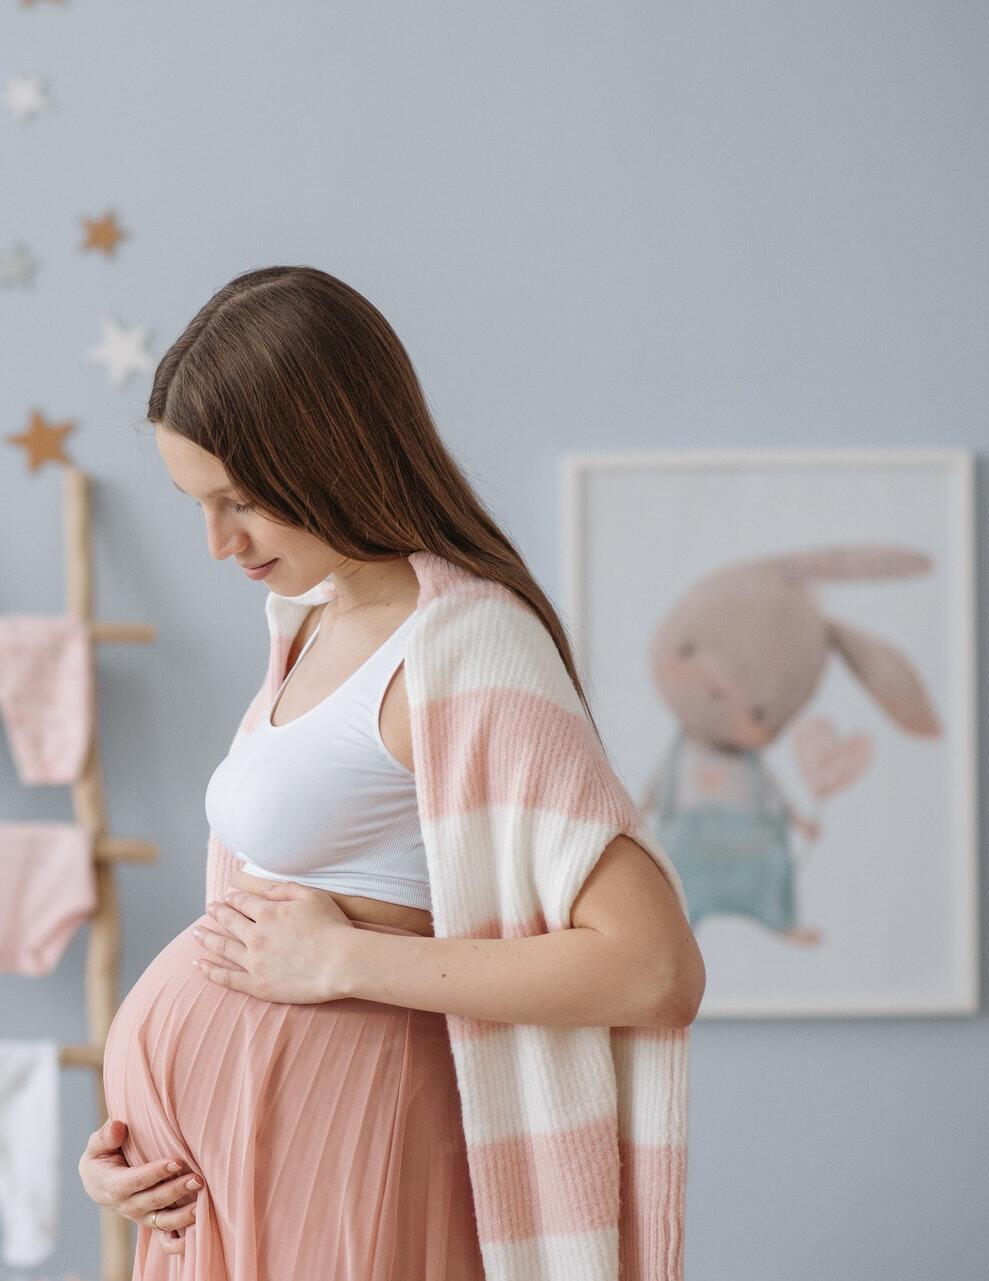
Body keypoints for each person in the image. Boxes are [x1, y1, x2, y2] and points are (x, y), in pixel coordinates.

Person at [78, 266, 704, 1279]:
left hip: (351, 1159)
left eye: (242, 502)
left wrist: (350, 964)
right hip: (233, 1187)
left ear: (332, 456)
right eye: (198, 503)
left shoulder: (467, 649)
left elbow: (655, 967)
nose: (217, 543)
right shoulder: (314, 622)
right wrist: (133, 1149)